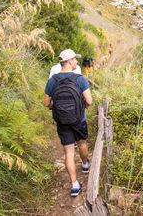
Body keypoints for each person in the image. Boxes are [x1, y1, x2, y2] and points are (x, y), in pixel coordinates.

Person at [44, 49, 92, 197]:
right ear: (70, 61)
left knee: (69, 152)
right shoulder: (79, 79)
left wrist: (57, 106)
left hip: (62, 121)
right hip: (79, 119)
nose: (77, 62)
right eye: (75, 60)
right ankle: (85, 165)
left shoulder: (52, 80)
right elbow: (89, 101)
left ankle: (74, 185)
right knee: (82, 143)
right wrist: (81, 107)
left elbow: (46, 103)